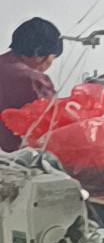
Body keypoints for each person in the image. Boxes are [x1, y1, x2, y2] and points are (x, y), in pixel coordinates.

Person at [0, 18, 63, 153]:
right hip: (14, 158)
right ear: (38, 52)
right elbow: (54, 124)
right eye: (52, 58)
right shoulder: (34, 80)